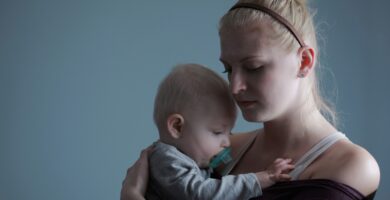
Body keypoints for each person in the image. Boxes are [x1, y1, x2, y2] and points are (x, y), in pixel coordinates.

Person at [121, 0, 380, 199]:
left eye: (254, 67)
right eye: (228, 69)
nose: (234, 87)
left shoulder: (351, 166)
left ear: (304, 61)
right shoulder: (221, 150)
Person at [145, 64, 294, 200]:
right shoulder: (167, 161)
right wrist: (263, 178)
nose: (227, 142)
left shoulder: (189, 159)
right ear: (177, 127)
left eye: (229, 132)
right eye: (217, 132)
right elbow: (202, 194)